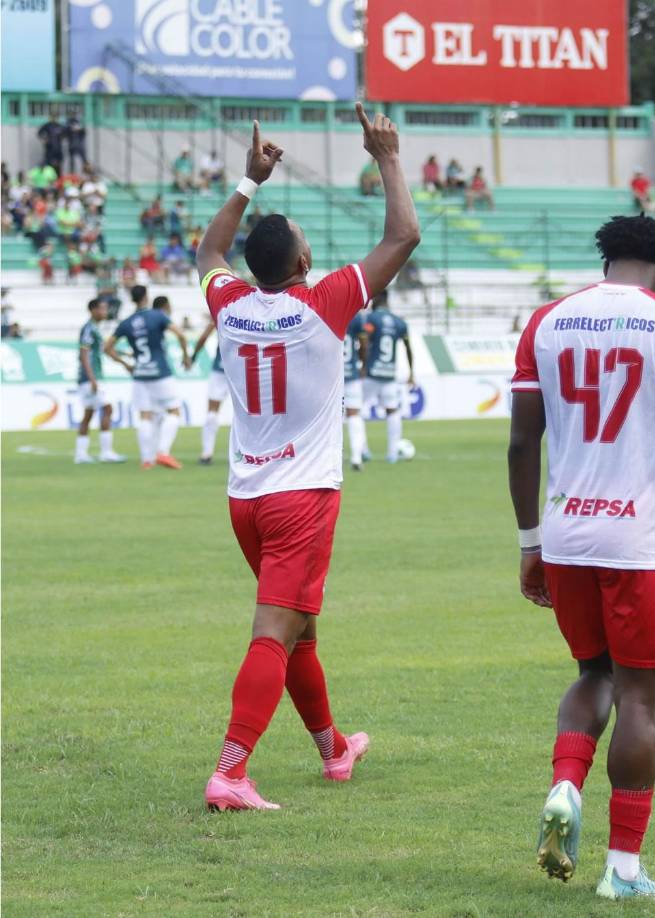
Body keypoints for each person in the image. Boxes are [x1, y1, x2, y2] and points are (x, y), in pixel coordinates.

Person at [194, 107, 419, 811]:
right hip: (303, 497)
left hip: (247, 499)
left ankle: (332, 750)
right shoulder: (325, 303)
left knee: (299, 631)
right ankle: (231, 772)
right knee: (274, 631)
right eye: (307, 241)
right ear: (302, 263)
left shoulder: (230, 304)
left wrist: (248, 182)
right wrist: (386, 157)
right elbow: (403, 235)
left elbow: (207, 253)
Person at [508, 214, 655, 900]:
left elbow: (521, 444)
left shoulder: (546, 320)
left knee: (591, 672)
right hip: (641, 541)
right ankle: (624, 871)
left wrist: (530, 542)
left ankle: (566, 786)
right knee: (641, 694)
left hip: (567, 532)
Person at [104, 286, 191, 469]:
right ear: (146, 296)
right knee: (174, 411)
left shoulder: (126, 323)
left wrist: (125, 364)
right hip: (160, 373)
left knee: (145, 416)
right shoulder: (157, 316)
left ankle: (147, 460)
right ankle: (162, 452)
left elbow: (107, 347)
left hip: (140, 374)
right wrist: (185, 355)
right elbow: (181, 335)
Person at [75, 298, 130, 464]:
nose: (105, 312)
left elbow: (104, 350)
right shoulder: (89, 329)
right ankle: (106, 452)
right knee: (107, 409)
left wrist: (125, 359)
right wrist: (92, 378)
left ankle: (81, 454)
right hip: (91, 378)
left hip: (89, 378)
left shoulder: (94, 329)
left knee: (88, 414)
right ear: (92, 310)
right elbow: (83, 354)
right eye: (102, 309)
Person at [363, 290, 414, 463]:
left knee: (356, 410)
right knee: (392, 410)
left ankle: (363, 451)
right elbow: (408, 348)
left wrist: (362, 363)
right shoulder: (400, 323)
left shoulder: (371, 319)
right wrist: (411, 372)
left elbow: (364, 339)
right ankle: (392, 453)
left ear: (377, 299)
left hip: (371, 372)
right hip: (389, 374)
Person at [190, 320, 227, 465]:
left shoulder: (222, 312)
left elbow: (204, 336)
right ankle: (252, 455)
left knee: (212, 411)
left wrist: (193, 356)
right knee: (249, 414)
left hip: (220, 368)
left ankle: (206, 453)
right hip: (243, 369)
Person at [344, 310, 369, 470]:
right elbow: (364, 343)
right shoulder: (356, 316)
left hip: (330, 374)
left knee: (330, 418)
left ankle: (330, 458)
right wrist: (363, 364)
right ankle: (356, 457)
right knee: (354, 414)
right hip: (351, 372)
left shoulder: (324, 309)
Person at [37, 109, 65, 174]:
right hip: (49, 148)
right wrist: (44, 139)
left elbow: (64, 134)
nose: (54, 118)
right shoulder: (47, 125)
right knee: (48, 165)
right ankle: (49, 177)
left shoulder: (60, 126)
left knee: (58, 164)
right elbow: (39, 133)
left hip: (58, 149)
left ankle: (58, 179)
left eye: (56, 117)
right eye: (53, 116)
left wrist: (62, 137)